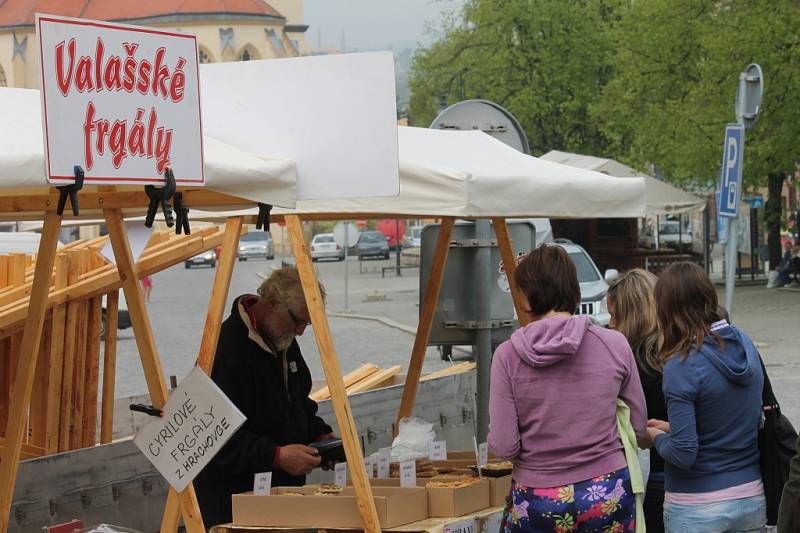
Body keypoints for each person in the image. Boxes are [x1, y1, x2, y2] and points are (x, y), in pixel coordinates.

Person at [489, 244, 647, 533]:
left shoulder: (507, 356)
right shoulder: (614, 344)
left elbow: (503, 445)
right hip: (606, 490)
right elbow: (636, 428)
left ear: (525, 298)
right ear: (573, 290)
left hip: (538, 496)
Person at [195, 267, 335, 527]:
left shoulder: (283, 339)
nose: (301, 331)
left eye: (307, 323)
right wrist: (277, 455)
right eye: (297, 320)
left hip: (280, 497)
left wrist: (320, 436)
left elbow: (298, 403)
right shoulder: (225, 349)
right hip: (235, 503)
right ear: (271, 303)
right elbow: (214, 437)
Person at [644, 262, 766, 533]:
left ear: (666, 308)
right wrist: (671, 428)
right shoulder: (746, 345)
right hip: (750, 498)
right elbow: (739, 420)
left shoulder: (681, 363)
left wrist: (656, 437)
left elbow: (684, 454)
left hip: (696, 504)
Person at [607, 268, 666, 533]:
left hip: (647, 476)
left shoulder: (628, 360)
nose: (610, 325)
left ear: (631, 316)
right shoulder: (679, 349)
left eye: (613, 316)